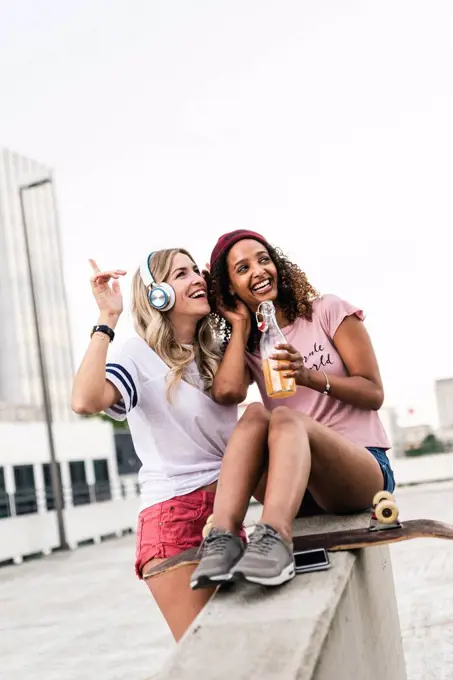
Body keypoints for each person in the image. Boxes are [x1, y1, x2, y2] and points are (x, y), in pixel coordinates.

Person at [71, 249, 271, 641]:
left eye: (197, 271)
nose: (197, 278)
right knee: (210, 658)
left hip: (224, 517)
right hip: (174, 520)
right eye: (181, 274)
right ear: (158, 295)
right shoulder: (138, 355)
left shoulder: (213, 352)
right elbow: (85, 400)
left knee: (243, 648)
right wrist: (107, 318)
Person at [190, 229, 394, 589]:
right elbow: (228, 393)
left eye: (264, 259)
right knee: (254, 414)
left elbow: (374, 392)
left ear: (278, 266)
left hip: (359, 469)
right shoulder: (254, 346)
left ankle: (275, 538)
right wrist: (238, 324)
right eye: (242, 268)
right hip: (295, 486)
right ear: (230, 287)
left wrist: (309, 376)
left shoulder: (326, 311)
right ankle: (223, 538)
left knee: (283, 416)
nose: (258, 271)